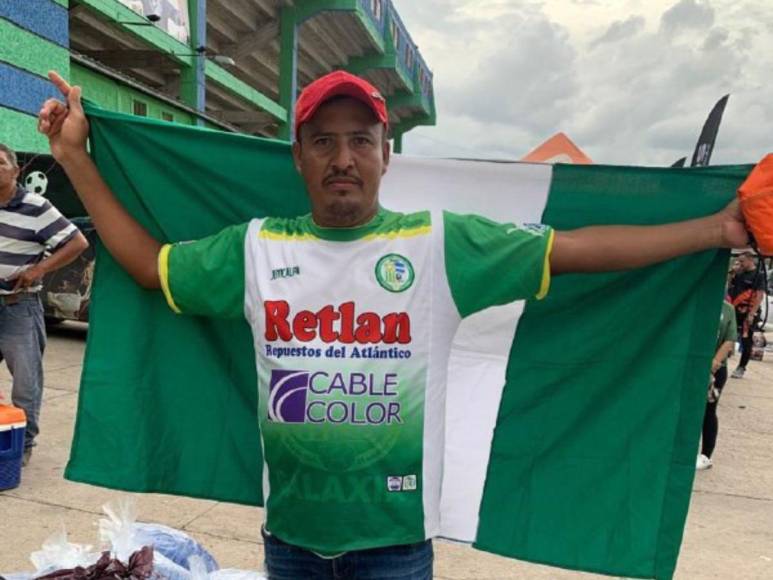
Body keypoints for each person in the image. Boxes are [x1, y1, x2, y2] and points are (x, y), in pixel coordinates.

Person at [38, 69, 753, 580]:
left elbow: (577, 249)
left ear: (386, 154)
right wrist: (74, 155)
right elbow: (147, 266)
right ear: (298, 158)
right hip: (289, 543)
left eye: (359, 140)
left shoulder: (439, 245)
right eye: (321, 141)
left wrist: (717, 229)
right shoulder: (255, 249)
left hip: (395, 549)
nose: (342, 158)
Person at [0, 143, 89, 465]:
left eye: (0, 163)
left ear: (16, 170)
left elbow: (77, 241)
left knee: (25, 382)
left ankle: (21, 446)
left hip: (18, 307)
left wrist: (39, 269)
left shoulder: (36, 207)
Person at [696, 299, 737, 470]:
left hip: (716, 370)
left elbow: (729, 340)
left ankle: (706, 454)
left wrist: (715, 362)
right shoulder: (698, 301)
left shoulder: (728, 310)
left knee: (708, 410)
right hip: (693, 366)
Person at [728, 251, 766, 378]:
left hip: (748, 312)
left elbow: (759, 296)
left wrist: (752, 314)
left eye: (742, 261)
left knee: (746, 340)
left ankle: (741, 367)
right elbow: (730, 288)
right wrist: (732, 273)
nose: (740, 264)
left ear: (750, 260)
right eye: (738, 261)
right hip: (734, 310)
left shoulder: (758, 275)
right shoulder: (739, 274)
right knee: (727, 335)